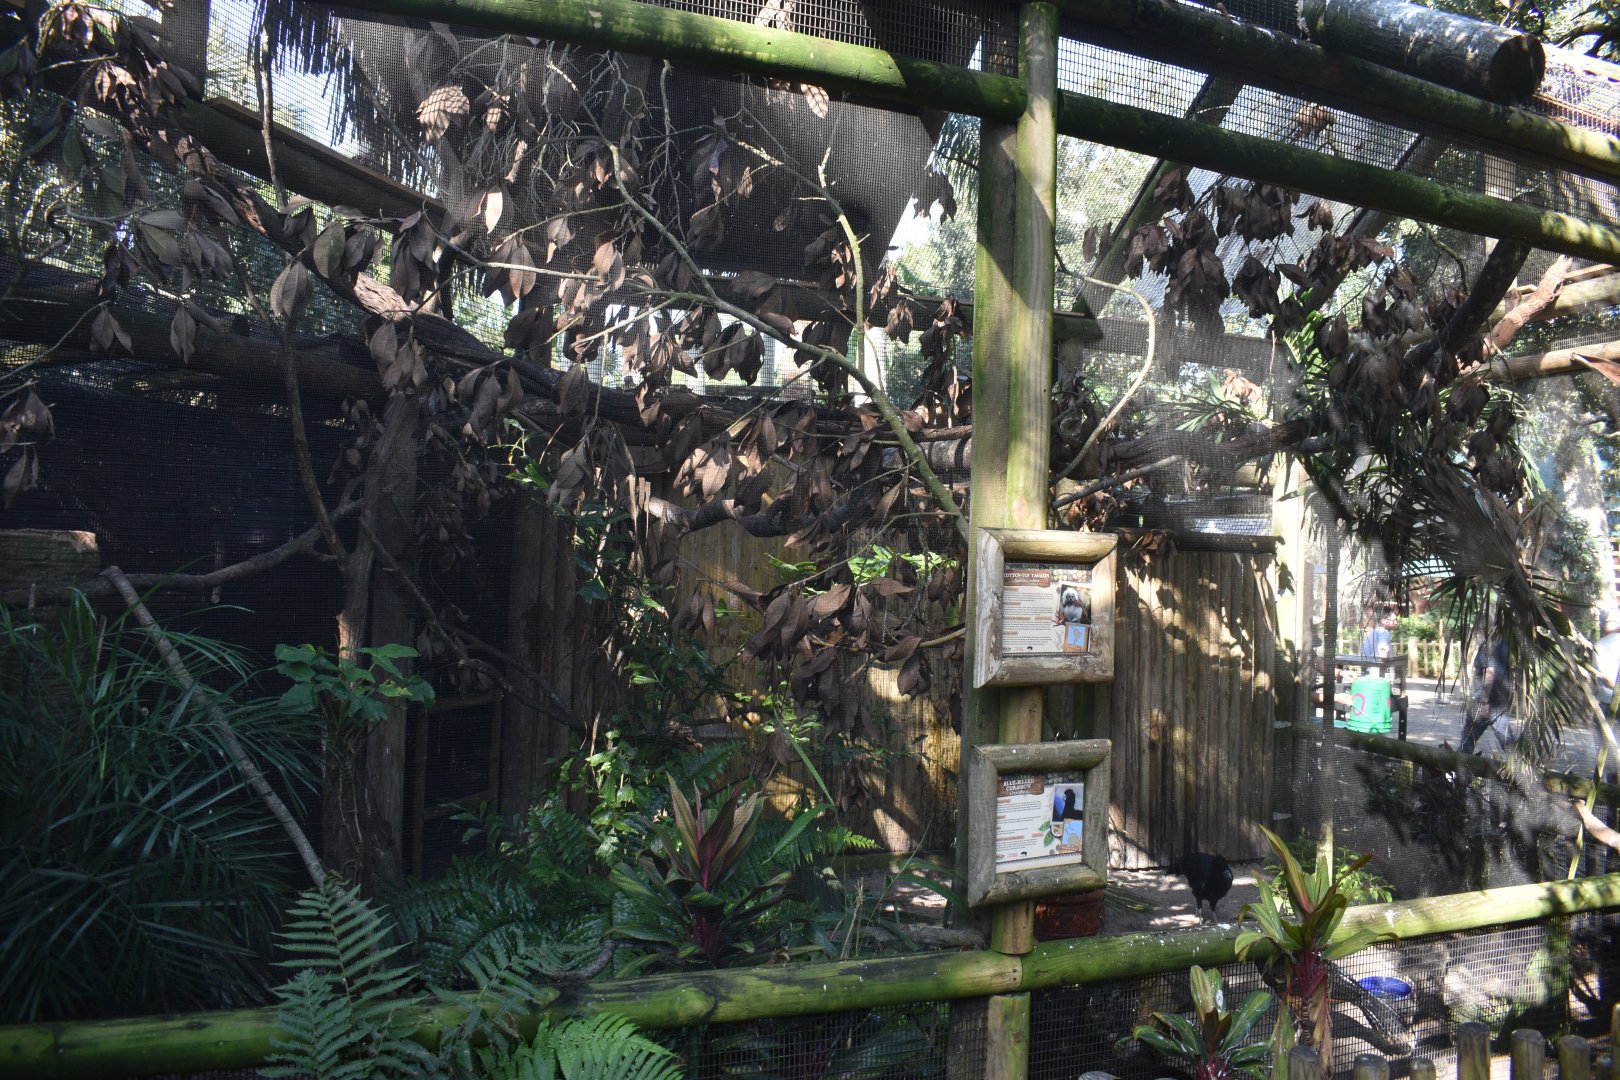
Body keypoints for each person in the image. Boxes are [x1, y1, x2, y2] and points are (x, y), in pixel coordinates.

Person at [1460, 632, 1512, 752]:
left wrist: (1484, 702)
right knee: (1508, 744)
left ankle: (1459, 764)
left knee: (1467, 743)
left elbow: (1489, 673)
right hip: (1500, 704)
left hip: (1483, 705)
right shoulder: (1504, 644)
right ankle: (1518, 763)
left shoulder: (1488, 646)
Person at [1593, 608, 1620, 719]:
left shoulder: (1599, 644)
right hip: (1611, 699)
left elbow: (1599, 673)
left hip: (1605, 699)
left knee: (1601, 729)